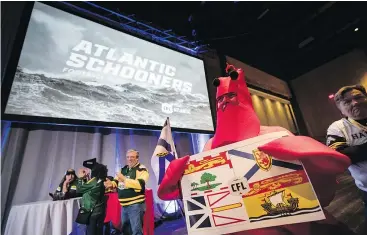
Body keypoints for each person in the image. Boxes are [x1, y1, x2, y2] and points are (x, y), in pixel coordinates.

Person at [158, 64, 353, 235]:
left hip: (291, 223)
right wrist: (181, 182)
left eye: (232, 96)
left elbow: (320, 185)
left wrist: (301, 153)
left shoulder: (275, 133)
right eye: (221, 99)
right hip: (235, 225)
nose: (226, 102)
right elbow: (205, 191)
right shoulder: (210, 146)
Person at [326, 85, 367, 219]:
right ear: (342, 111)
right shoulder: (337, 127)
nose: (355, 102)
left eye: (358, 97)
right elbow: (339, 158)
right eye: (347, 102)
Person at [110, 149, 149, 235]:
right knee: (126, 230)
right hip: (124, 205)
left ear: (137, 158)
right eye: (128, 157)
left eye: (132, 157)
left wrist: (124, 179)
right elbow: (116, 181)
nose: (129, 159)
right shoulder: (123, 169)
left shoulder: (141, 169)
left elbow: (140, 185)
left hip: (136, 205)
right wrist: (110, 184)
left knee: (136, 231)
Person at [76, 159, 108, 235]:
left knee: (91, 232)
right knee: (98, 231)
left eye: (88, 169)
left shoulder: (94, 181)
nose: (85, 171)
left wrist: (80, 178)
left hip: (93, 212)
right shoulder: (100, 180)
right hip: (99, 210)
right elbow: (89, 188)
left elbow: (79, 189)